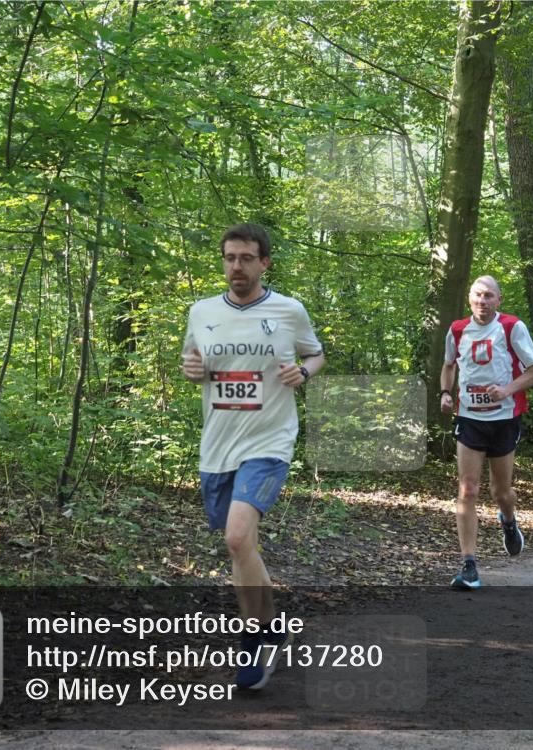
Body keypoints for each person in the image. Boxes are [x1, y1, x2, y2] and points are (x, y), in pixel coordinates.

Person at [182, 223, 324, 689]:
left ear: (264, 262)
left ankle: (252, 642)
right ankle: (273, 628)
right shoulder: (201, 312)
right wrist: (192, 369)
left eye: (245, 258)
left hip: (269, 441)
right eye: (229, 258)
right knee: (244, 549)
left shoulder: (288, 311)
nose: (236, 267)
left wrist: (303, 371)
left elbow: (316, 354)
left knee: (237, 539)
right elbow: (193, 365)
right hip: (218, 444)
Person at [440, 276, 533, 589]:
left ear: (498, 300)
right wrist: (445, 392)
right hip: (469, 418)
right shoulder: (457, 330)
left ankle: (508, 521)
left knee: (502, 492)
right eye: (477, 295)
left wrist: (508, 389)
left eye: (488, 296)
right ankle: (469, 565)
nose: (482, 302)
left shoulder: (512, 327)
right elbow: (448, 365)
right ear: (470, 298)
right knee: (468, 489)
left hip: (504, 419)